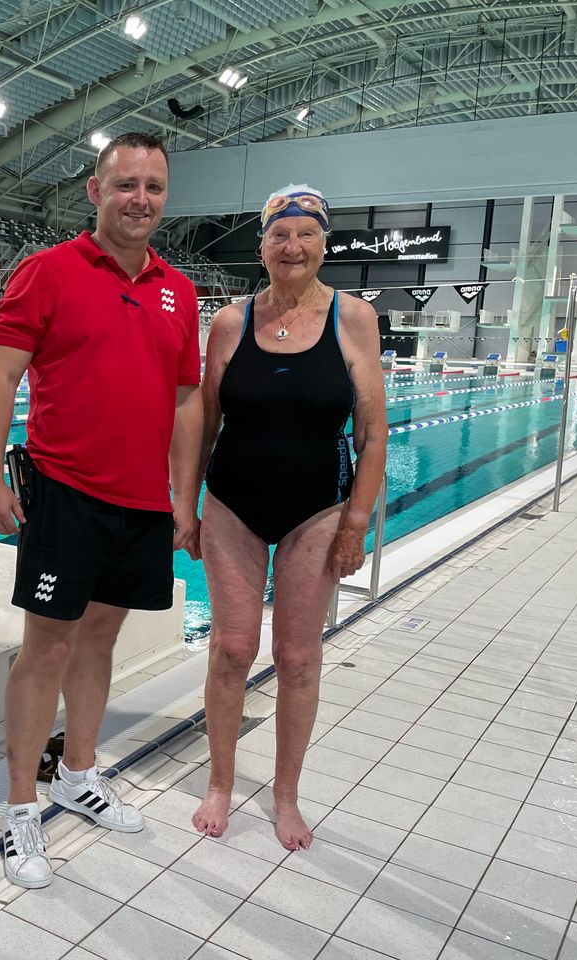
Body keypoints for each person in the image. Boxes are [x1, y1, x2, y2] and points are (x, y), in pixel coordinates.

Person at [0, 132, 203, 889]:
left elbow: (185, 399)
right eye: (126, 184)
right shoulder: (48, 272)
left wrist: (182, 493)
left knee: (101, 641)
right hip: (67, 492)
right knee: (45, 647)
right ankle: (18, 809)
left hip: (142, 501)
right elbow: (2, 377)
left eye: (154, 187)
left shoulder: (179, 289)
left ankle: (77, 773)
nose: (141, 199)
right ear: (95, 192)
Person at [191, 184, 388, 850]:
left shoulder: (354, 319)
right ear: (263, 245)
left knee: (299, 658)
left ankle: (284, 796)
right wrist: (181, 504)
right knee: (232, 649)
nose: (293, 246)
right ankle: (220, 782)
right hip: (231, 505)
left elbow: (373, 432)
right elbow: (202, 420)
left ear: (324, 243)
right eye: (280, 234)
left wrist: (358, 520)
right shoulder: (228, 323)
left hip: (318, 510)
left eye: (306, 234)